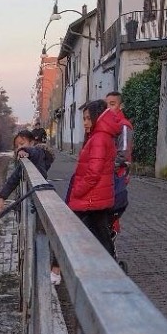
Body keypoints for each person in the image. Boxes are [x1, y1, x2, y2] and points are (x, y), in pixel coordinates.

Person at [66, 100, 124, 260]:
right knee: (103, 235)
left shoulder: (98, 138)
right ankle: (112, 268)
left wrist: (77, 191)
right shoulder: (103, 136)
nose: (85, 123)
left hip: (90, 197)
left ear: (97, 117)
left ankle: (55, 272)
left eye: (88, 118)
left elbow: (94, 172)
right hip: (99, 196)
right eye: (84, 119)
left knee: (67, 231)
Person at [0, 128, 52, 213]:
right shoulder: (24, 162)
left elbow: (34, 152)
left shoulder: (39, 153)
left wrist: (24, 150)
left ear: (32, 143)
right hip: (31, 200)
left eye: (22, 144)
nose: (19, 148)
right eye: (17, 146)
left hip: (39, 201)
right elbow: (13, 180)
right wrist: (2, 198)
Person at [105, 89, 134, 242]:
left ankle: (110, 243)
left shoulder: (123, 125)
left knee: (113, 208)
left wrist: (107, 166)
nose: (109, 108)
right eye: (107, 104)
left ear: (120, 106)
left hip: (117, 173)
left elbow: (123, 153)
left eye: (113, 104)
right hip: (110, 173)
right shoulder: (109, 125)